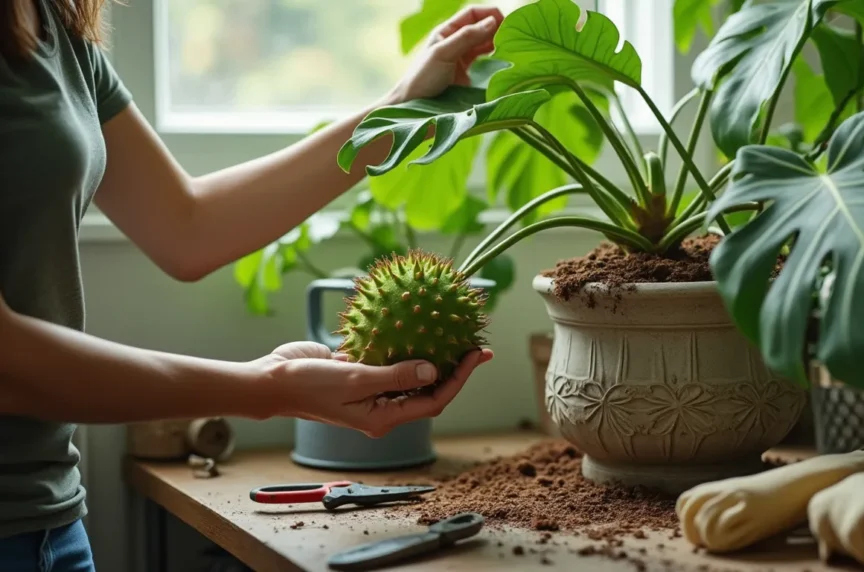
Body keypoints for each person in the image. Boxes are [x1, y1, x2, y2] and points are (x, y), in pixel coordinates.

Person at [0, 0, 503, 569]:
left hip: (55, 521)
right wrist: (272, 388)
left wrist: (396, 110)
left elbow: (187, 226)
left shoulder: (57, 25)